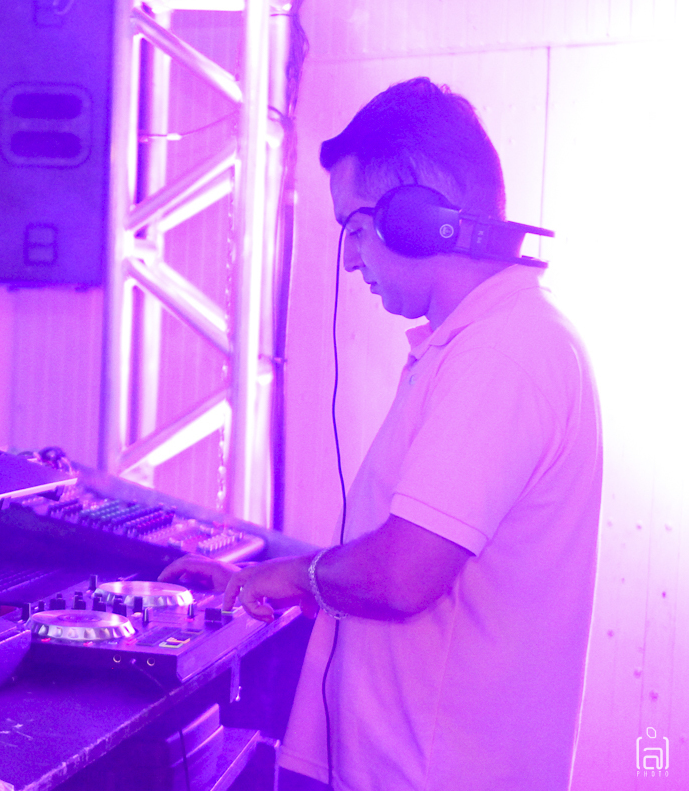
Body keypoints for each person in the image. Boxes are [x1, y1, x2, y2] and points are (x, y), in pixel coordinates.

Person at [161, 78, 601, 791]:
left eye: (357, 228)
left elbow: (403, 575)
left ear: (423, 218)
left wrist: (293, 575)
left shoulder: (504, 352)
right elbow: (418, 562)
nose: (350, 259)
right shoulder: (477, 344)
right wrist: (264, 579)